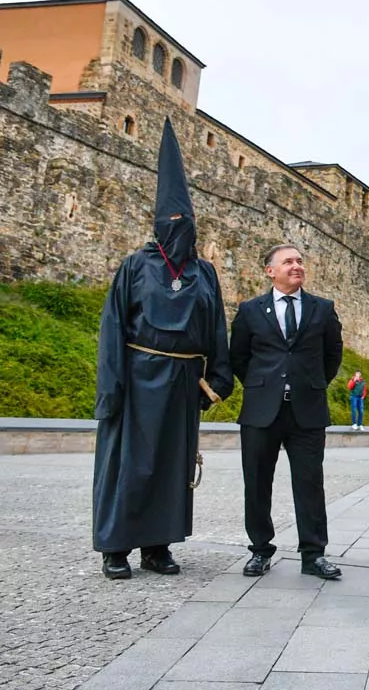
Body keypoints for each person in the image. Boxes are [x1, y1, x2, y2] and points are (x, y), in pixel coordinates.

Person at [93, 119, 234, 580]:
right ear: (158, 224)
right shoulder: (135, 266)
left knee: (172, 465)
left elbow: (216, 326)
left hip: (180, 381)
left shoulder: (204, 272)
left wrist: (216, 379)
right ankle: (116, 547)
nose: (181, 228)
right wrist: (111, 388)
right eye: (173, 222)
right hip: (137, 377)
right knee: (128, 463)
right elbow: (113, 327)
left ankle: (157, 546)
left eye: (186, 222)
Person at [230, 243, 344, 580]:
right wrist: (263, 384)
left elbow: (332, 356)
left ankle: (313, 554)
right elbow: (238, 356)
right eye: (288, 261)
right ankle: (260, 550)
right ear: (270, 271)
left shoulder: (322, 309)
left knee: (310, 483)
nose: (296, 266)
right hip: (261, 410)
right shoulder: (251, 310)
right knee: (257, 482)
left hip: (307, 412)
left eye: (299, 261)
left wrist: (311, 383)